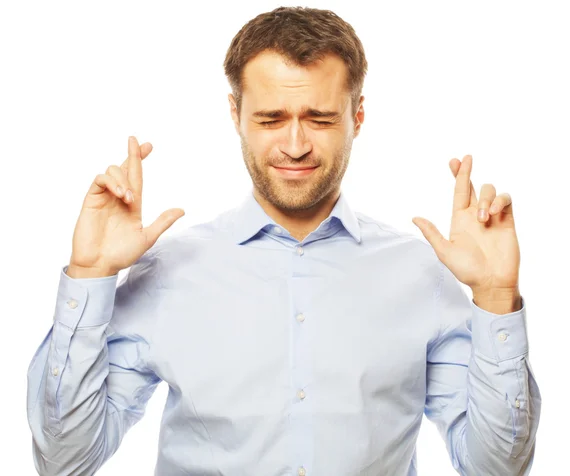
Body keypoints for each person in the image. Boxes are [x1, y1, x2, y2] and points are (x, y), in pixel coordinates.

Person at [26, 6, 541, 476]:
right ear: (235, 116)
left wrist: (496, 299)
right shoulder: (167, 272)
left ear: (357, 117)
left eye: (319, 119)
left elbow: (496, 468)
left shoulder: (420, 273)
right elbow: (66, 459)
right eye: (271, 119)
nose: (295, 146)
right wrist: (91, 274)